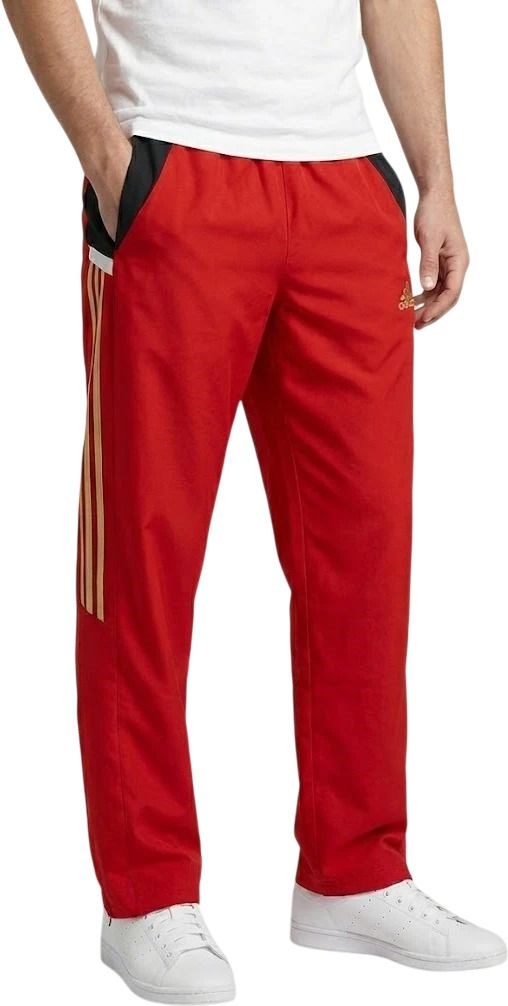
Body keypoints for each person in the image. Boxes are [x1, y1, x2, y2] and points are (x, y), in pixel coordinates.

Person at [3, 0, 505, 999]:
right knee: (143, 554)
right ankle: (145, 895)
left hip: (343, 180)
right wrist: (106, 157)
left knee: (363, 554)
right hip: (173, 165)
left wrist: (434, 176)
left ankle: (354, 869)